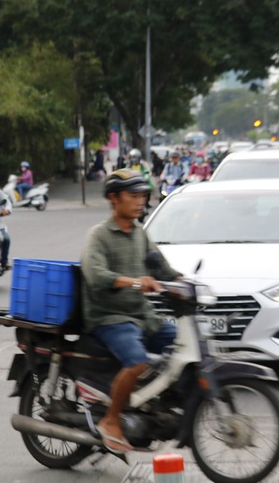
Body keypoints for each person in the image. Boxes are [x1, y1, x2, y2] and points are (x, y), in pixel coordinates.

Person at [81, 169, 183, 454]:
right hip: (109, 317)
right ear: (114, 198)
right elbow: (96, 275)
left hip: (142, 315)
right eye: (133, 196)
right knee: (136, 361)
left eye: (143, 196)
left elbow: (161, 267)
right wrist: (137, 282)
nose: (140, 202)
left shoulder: (140, 233)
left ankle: (155, 404)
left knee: (183, 344)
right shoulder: (99, 235)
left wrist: (186, 283)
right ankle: (111, 420)